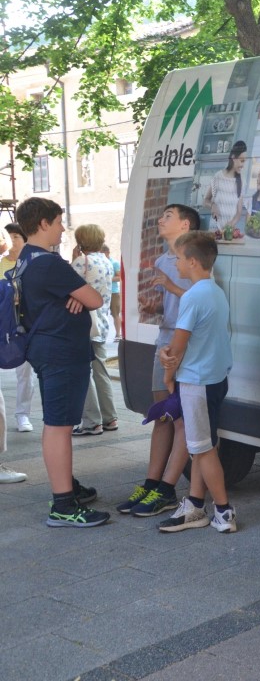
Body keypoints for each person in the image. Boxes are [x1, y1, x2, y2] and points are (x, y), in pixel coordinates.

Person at [15, 197, 107, 527]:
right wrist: (78, 296)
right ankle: (63, 505)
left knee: (58, 422)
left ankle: (66, 485)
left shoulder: (25, 258)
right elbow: (94, 299)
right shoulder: (49, 264)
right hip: (61, 350)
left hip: (46, 347)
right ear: (43, 224)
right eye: (57, 222)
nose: (62, 228)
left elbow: (76, 299)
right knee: (59, 426)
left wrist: (73, 296)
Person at [117, 204, 199, 517]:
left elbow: (200, 299)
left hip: (186, 343)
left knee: (180, 419)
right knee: (161, 415)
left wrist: (170, 287)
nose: (160, 220)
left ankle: (167, 489)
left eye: (168, 216)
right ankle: (151, 483)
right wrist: (155, 306)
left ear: (185, 224)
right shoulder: (163, 260)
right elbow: (173, 303)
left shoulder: (196, 257)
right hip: (164, 340)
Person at [156, 231, 236, 533]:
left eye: (178, 258)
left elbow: (178, 345)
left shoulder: (192, 296)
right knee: (204, 444)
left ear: (192, 261)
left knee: (202, 449)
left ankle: (224, 511)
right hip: (215, 378)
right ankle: (195, 504)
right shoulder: (215, 291)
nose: (175, 263)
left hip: (196, 382)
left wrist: (167, 370)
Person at [71, 224, 118, 436]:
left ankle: (91, 421)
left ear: (81, 241)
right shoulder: (106, 261)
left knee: (82, 372)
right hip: (101, 323)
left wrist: (74, 259)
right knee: (101, 371)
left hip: (82, 324)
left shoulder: (82, 261)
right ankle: (110, 418)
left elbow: (68, 287)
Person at [4, 223, 35, 433]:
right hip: (3, 324)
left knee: (24, 372)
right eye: (8, 236)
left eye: (16, 236)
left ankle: (22, 415)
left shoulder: (30, 264)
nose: (12, 240)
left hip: (22, 326)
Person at [203, 140, 246, 232]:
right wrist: (213, 205)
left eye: (244, 162)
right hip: (214, 228)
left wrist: (230, 225)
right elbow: (205, 200)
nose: (243, 165)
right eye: (242, 161)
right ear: (233, 158)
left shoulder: (241, 181)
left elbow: (239, 212)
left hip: (229, 230)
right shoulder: (218, 176)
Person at [103, 244, 121, 341]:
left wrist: (108, 279)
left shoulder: (114, 263)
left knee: (115, 314)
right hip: (103, 291)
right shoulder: (101, 262)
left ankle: (118, 334)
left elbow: (119, 277)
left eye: (102, 253)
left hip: (113, 292)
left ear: (107, 252)